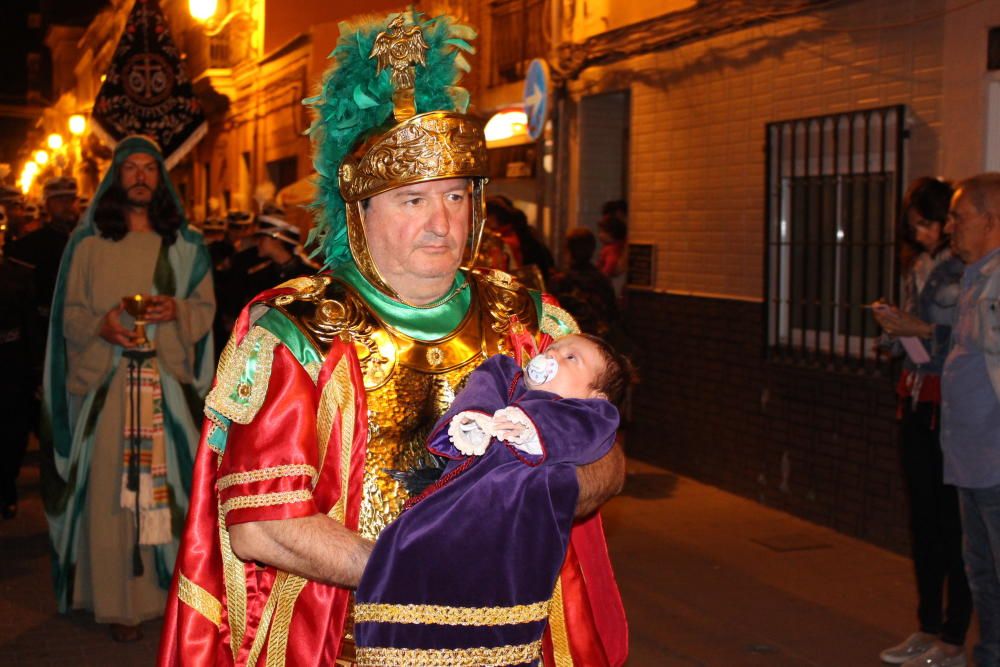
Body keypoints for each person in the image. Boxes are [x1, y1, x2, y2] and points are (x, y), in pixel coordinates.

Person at [159, 12, 625, 667]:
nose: (442, 223)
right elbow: (262, 524)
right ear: (361, 212)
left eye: (457, 196)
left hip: (509, 645)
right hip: (351, 644)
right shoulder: (299, 334)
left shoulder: (532, 321)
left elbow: (607, 458)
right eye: (412, 200)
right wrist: (420, 569)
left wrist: (519, 529)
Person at [355, 334, 629, 665]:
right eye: (553, 348)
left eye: (572, 358)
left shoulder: (593, 416)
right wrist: (475, 419)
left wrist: (532, 430)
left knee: (494, 620)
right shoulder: (507, 377)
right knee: (406, 554)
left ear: (594, 396)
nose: (555, 355)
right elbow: (483, 386)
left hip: (510, 539)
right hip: (450, 510)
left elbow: (585, 433)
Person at [41, 135, 216, 642]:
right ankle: (118, 603)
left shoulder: (186, 246)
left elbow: (204, 310)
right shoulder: (89, 246)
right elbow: (69, 316)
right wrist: (102, 326)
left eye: (150, 169)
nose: (140, 176)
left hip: (166, 384)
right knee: (112, 495)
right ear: (115, 179)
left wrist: (176, 311)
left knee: (174, 489)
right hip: (110, 385)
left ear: (161, 180)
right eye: (131, 168)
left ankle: (175, 599)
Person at [873, 178, 971, 667]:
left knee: (953, 526)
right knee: (924, 521)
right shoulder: (919, 266)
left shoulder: (969, 268)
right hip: (914, 397)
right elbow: (919, 337)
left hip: (950, 403)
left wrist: (922, 330)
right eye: (917, 227)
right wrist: (895, 331)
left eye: (930, 224)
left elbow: (973, 339)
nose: (926, 234)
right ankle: (927, 624)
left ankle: (953, 634)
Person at [936, 172, 1000, 667]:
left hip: (996, 460)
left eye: (960, 216)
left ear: (990, 220)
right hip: (972, 458)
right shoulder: (976, 276)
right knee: (981, 573)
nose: (949, 226)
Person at [0, 252, 35, 518]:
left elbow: (29, 326)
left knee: (13, 435)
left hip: (13, 372)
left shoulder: (16, 278)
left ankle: (7, 487)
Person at [549, 226, 619, 337]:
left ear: (569, 251)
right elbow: (612, 314)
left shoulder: (564, 282)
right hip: (599, 338)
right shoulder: (602, 279)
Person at [246, 208, 316, 295]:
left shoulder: (310, 275)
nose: (257, 242)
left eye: (261, 238)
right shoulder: (259, 276)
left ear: (277, 239)